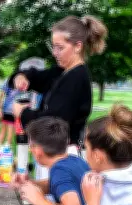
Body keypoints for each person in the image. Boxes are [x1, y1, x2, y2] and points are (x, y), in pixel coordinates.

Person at [10, 15, 108, 150]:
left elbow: (52, 124)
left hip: (64, 154)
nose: (55, 53)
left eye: (60, 48)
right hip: (52, 152)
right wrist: (20, 77)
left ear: (77, 46)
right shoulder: (61, 72)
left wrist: (22, 113)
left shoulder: (76, 79)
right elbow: (35, 77)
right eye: (53, 47)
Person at [0, 80, 18, 148]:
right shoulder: (9, 81)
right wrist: (0, 109)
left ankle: (2, 148)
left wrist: (0, 109)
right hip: (9, 110)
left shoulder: (9, 80)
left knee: (7, 130)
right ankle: (4, 148)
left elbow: (1, 94)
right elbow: (1, 94)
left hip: (12, 110)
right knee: (7, 130)